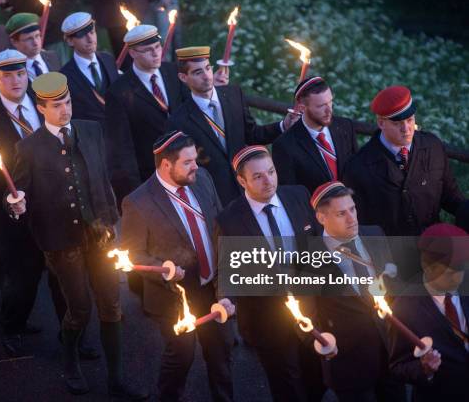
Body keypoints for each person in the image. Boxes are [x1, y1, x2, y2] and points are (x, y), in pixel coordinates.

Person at [7, 72, 146, 400]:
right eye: (57, 105)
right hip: (61, 241)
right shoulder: (27, 148)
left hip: (100, 236)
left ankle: (117, 380)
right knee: (80, 308)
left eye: (67, 102)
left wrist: (112, 221)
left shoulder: (91, 130)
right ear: (42, 108)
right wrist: (14, 204)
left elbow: (103, 179)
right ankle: (70, 362)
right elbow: (17, 194)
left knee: (112, 306)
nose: (65, 110)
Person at [121, 131, 235, 401]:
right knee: (181, 355)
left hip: (212, 286)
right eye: (188, 162)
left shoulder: (202, 179)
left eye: (195, 159)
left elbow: (220, 228)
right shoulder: (138, 202)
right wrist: (165, 268)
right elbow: (133, 254)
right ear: (166, 165)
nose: (196, 166)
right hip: (175, 295)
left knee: (221, 353)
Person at [0, 49, 63, 356]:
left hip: (52, 203)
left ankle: (71, 331)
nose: (15, 81)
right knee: (22, 275)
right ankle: (13, 326)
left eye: (20, 73)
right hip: (11, 210)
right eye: (7, 75)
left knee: (63, 274)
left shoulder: (41, 104)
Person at [216, 145, 322, 401]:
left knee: (316, 377)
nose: (268, 181)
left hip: (311, 308)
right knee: (287, 386)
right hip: (267, 319)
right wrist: (226, 298)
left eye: (271, 172)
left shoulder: (298, 195)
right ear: (242, 180)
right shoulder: (229, 219)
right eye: (258, 177)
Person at [105, 25, 230, 204]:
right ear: (132, 53)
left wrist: (210, 86)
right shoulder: (119, 92)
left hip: (194, 166)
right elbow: (122, 151)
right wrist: (134, 195)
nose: (156, 54)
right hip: (154, 176)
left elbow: (193, 106)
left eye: (157, 47)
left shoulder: (172, 72)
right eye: (148, 50)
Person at [310, 181, 405, 401]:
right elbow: (307, 314)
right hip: (348, 364)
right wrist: (323, 345)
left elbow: (393, 288)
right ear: (321, 218)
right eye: (341, 213)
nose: (352, 218)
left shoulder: (375, 234)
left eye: (352, 209)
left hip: (390, 353)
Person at [343, 85, 465, 237]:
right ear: (381, 123)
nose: (406, 129)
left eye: (410, 120)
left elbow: (452, 197)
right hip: (389, 253)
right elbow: (359, 225)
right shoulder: (358, 167)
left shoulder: (433, 147)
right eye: (397, 123)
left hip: (434, 248)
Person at [166, 46, 281, 205]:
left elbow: (252, 134)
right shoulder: (179, 120)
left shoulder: (233, 95)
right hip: (216, 197)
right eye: (198, 72)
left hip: (251, 187)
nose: (206, 76)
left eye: (207, 68)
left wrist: (282, 126)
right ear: (183, 77)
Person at [389, 223, 469, 402]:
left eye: (462, 270)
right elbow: (397, 366)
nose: (459, 278)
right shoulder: (405, 307)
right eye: (451, 274)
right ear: (428, 267)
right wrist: (424, 369)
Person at [272, 76, 359, 193]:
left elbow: (356, 171)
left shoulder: (345, 127)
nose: (329, 111)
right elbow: (291, 196)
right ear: (303, 108)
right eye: (321, 106)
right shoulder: (285, 145)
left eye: (330, 102)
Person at [60, 12, 119, 127]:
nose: (90, 39)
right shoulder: (65, 77)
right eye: (82, 36)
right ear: (70, 41)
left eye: (92, 32)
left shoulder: (108, 60)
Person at [5, 12, 60, 81]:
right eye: (29, 39)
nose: (35, 42)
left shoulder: (53, 57)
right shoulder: (11, 70)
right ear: (14, 42)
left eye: (37, 36)